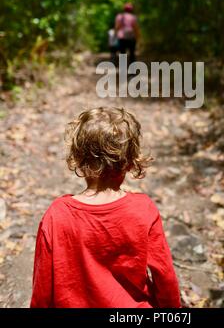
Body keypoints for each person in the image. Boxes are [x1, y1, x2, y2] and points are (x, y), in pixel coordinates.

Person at [30, 107, 181, 308]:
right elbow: (165, 276)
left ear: (79, 159)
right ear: (129, 162)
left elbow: (42, 287)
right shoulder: (144, 209)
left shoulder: (57, 214)